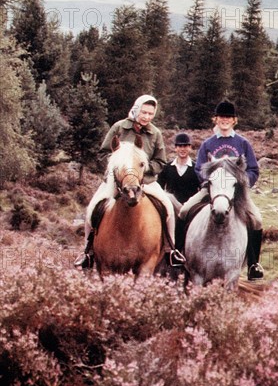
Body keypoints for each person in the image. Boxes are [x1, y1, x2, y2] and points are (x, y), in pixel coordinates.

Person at [74, 94, 185, 268]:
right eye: (144, 112)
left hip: (145, 181)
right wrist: (116, 170)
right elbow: (103, 152)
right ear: (136, 109)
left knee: (168, 208)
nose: (147, 117)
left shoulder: (155, 133)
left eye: (150, 114)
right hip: (116, 181)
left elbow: (160, 160)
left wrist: (142, 171)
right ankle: (87, 252)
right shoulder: (119, 127)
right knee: (92, 208)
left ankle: (170, 249)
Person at [179, 100, 264, 281]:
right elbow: (199, 168)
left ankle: (253, 264)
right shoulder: (208, 144)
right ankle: (178, 255)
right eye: (221, 117)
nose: (224, 120)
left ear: (234, 120)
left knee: (256, 219)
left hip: (236, 192)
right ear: (215, 119)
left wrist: (241, 183)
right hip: (212, 190)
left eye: (228, 117)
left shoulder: (242, 143)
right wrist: (210, 183)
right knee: (185, 210)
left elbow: (253, 170)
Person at [158, 132, 200, 205]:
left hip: (191, 208)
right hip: (171, 206)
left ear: (190, 148)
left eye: (185, 146)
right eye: (180, 146)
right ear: (175, 148)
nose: (182, 149)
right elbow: (159, 188)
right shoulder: (167, 167)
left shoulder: (196, 168)